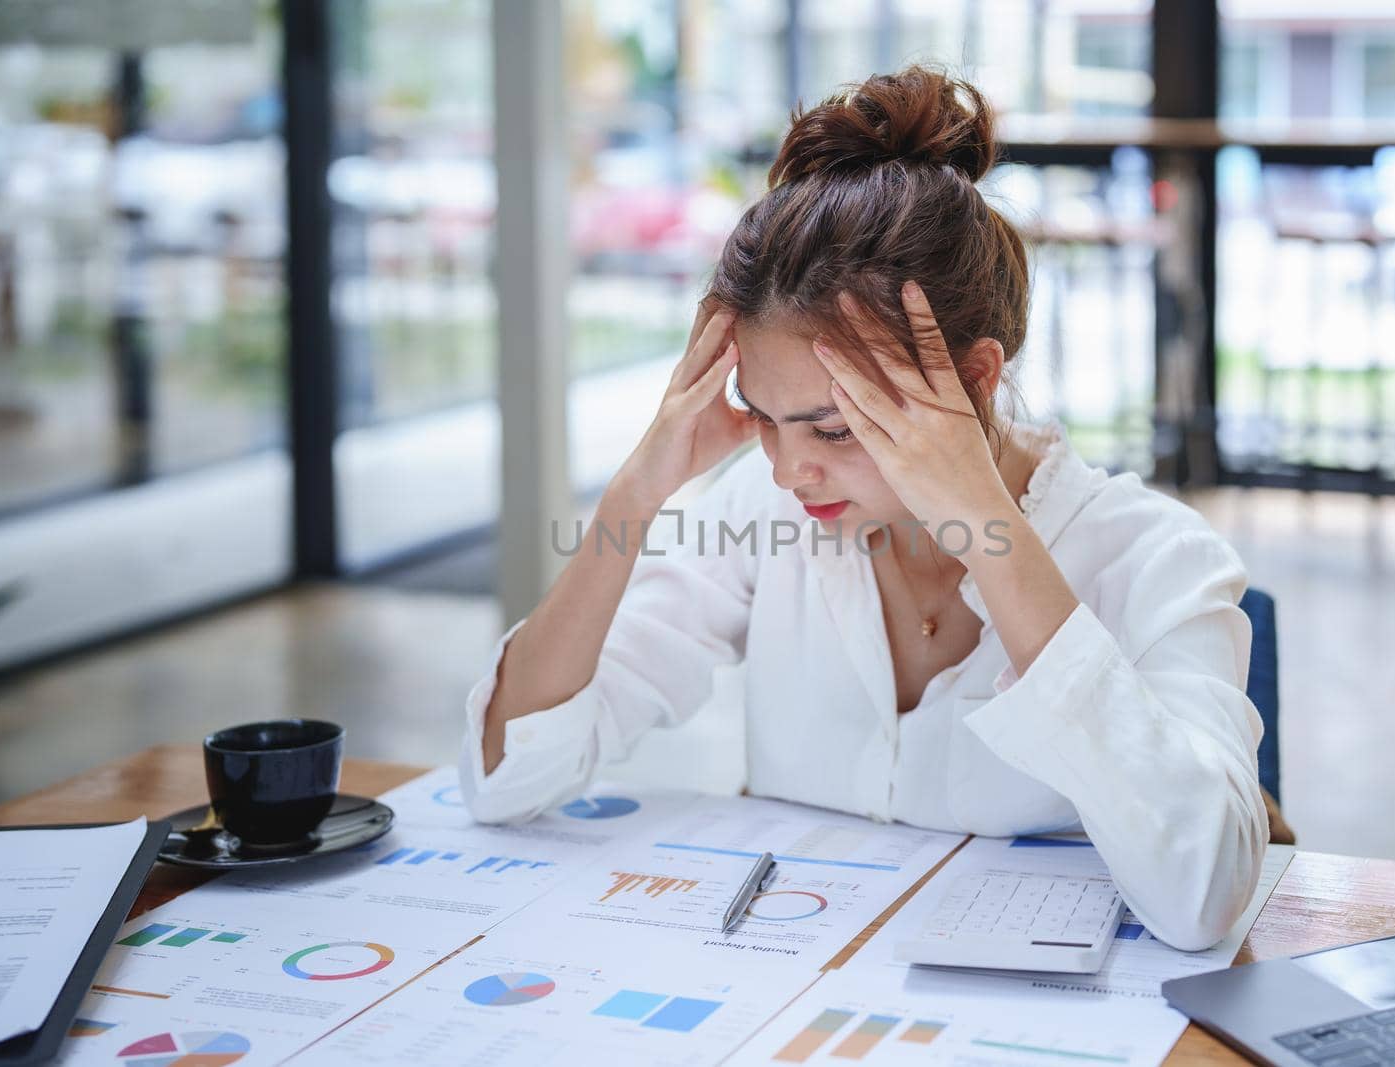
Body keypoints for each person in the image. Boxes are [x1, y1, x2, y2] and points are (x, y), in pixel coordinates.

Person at [461, 66, 1267, 952]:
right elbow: (506, 776)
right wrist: (635, 494)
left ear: (974, 380)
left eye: (836, 429)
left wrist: (986, 531)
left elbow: (1205, 894)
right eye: (764, 419)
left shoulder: (1154, 557)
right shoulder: (765, 517)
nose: (788, 471)